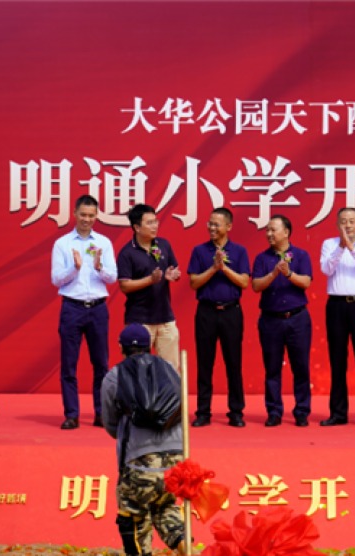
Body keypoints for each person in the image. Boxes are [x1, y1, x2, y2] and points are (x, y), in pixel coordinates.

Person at [101, 324, 186, 556]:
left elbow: (110, 423)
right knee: (165, 506)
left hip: (139, 461)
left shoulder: (115, 376)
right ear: (150, 346)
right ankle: (186, 548)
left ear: (121, 347)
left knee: (133, 517)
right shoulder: (170, 370)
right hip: (176, 462)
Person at [51, 194, 118, 430]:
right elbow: (56, 279)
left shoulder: (104, 243)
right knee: (69, 364)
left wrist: (99, 267)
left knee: (101, 364)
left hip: (97, 308)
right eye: (83, 215)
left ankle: (101, 413)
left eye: (91, 215)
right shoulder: (62, 244)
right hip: (72, 307)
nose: (86, 219)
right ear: (74, 214)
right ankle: (72, 414)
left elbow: (113, 277)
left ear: (96, 216)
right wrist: (75, 268)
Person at [186, 207, 250, 428]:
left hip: (231, 311)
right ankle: (203, 411)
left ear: (228, 226)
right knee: (205, 363)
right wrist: (213, 268)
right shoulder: (199, 251)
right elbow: (194, 282)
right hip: (206, 312)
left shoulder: (239, 251)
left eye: (216, 224)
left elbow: (244, 282)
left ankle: (236, 411)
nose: (211, 228)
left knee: (234, 362)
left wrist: (224, 268)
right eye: (210, 223)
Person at [319, 207, 355, 427]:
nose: (348, 225)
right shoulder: (329, 244)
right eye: (343, 221)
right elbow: (326, 270)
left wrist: (352, 249)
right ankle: (338, 413)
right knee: (337, 359)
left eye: (352, 221)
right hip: (336, 305)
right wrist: (340, 248)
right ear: (337, 224)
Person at [251, 215, 313, 427]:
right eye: (267, 230)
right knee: (272, 368)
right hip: (271, 320)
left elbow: (306, 282)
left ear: (286, 232)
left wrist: (288, 273)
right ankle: (274, 411)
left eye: (273, 230)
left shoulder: (301, 255)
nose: (269, 234)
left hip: (297, 318)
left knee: (301, 367)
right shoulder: (262, 258)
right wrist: (274, 273)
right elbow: (256, 285)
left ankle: (302, 411)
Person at [117, 204, 182, 371]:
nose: (155, 226)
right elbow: (124, 285)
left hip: (165, 318)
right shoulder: (127, 253)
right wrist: (150, 280)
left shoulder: (163, 245)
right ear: (137, 227)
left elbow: (173, 269)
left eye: (155, 221)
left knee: (170, 370)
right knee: (137, 370)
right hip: (139, 320)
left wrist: (173, 274)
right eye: (149, 223)